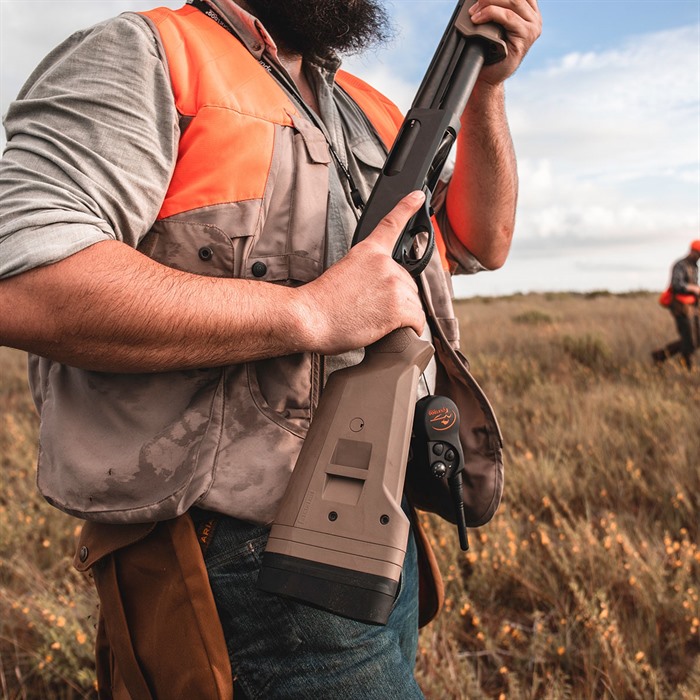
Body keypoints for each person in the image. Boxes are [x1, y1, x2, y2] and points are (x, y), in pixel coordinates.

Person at [0, 0, 541, 697]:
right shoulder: (149, 54)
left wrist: (487, 90)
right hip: (240, 550)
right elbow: (21, 278)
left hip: (383, 514)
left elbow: (478, 242)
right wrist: (308, 313)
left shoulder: (366, 107)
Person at [652, 240, 700, 370]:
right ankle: (686, 367)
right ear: (692, 251)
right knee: (689, 340)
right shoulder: (680, 265)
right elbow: (676, 285)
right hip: (680, 308)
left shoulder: (694, 267)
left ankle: (660, 356)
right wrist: (693, 288)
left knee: (696, 338)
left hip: (693, 307)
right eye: (698, 254)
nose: (699, 257)